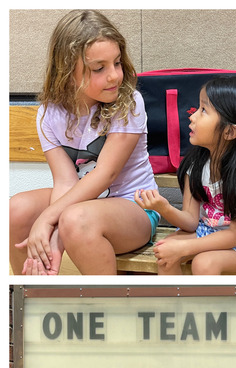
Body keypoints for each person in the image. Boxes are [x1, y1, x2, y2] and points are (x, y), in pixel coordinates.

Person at [9, 10, 160, 275]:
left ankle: (107, 308)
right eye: (99, 68)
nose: (114, 75)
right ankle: (32, 294)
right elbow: (66, 183)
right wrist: (54, 236)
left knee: (74, 219)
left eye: (117, 63)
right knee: (16, 208)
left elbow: (105, 174)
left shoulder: (130, 103)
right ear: (67, 72)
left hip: (135, 208)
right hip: (80, 205)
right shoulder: (49, 113)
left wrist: (48, 220)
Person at [135, 76, 236, 275]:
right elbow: (191, 221)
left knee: (205, 263)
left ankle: (206, 306)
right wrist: (163, 207)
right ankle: (177, 304)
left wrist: (184, 248)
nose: (192, 116)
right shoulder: (196, 165)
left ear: (229, 131)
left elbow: (235, 235)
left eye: (203, 110)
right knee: (165, 250)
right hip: (207, 231)